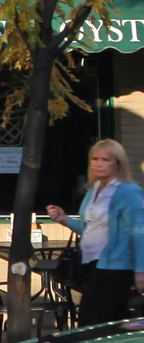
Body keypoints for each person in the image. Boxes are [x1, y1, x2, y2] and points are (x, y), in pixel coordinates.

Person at [48, 138, 144, 328]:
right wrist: (65, 220)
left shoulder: (127, 192)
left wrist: (141, 269)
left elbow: (139, 232)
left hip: (116, 266)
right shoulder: (93, 191)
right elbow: (90, 229)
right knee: (111, 321)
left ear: (118, 163)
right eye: (95, 159)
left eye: (105, 159)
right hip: (91, 264)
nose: (98, 164)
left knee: (91, 320)